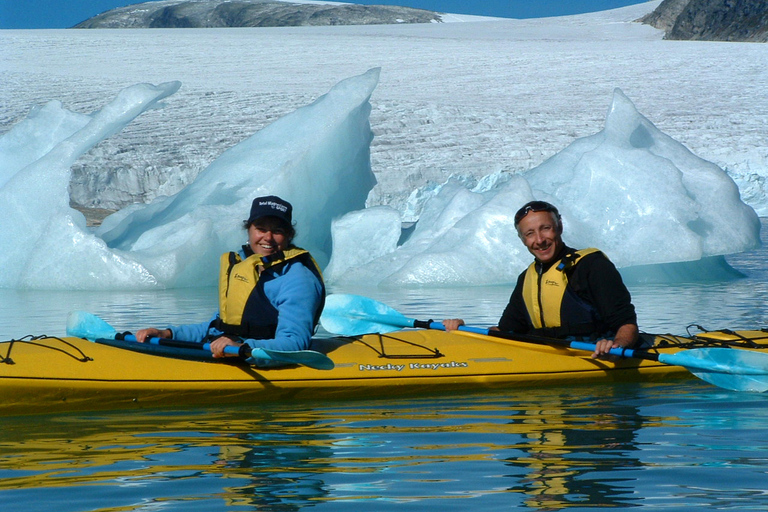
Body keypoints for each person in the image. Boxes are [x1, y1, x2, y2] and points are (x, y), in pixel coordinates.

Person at [136, 195, 325, 365]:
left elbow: (295, 343)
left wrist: (240, 346)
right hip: (230, 350)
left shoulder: (298, 279)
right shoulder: (243, 269)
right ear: (249, 230)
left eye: (277, 231)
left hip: (251, 356)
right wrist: (168, 334)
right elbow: (216, 326)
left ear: (289, 235)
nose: (268, 237)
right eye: (260, 229)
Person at [443, 200, 638, 358]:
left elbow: (627, 323)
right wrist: (462, 330)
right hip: (544, 353)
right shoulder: (527, 277)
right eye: (530, 234)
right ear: (522, 239)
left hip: (590, 352)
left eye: (545, 228)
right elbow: (505, 331)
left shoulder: (591, 265)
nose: (539, 240)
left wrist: (616, 345)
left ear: (559, 227)